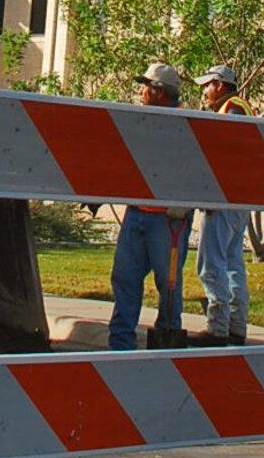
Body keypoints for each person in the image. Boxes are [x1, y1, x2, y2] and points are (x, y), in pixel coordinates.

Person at [107, 62, 194, 350]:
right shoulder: (143, 118)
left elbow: (194, 168)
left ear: (159, 92)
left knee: (167, 284)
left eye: (146, 86)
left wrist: (184, 203)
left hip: (168, 219)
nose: (141, 91)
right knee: (125, 277)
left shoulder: (185, 122)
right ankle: (121, 342)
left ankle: (167, 336)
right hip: (137, 214)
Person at [194, 65, 253, 345]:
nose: (204, 91)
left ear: (219, 85)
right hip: (239, 199)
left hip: (224, 198)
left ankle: (217, 328)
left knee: (211, 263)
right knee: (232, 264)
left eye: (207, 85)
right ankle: (236, 327)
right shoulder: (239, 107)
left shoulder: (232, 109)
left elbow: (225, 151)